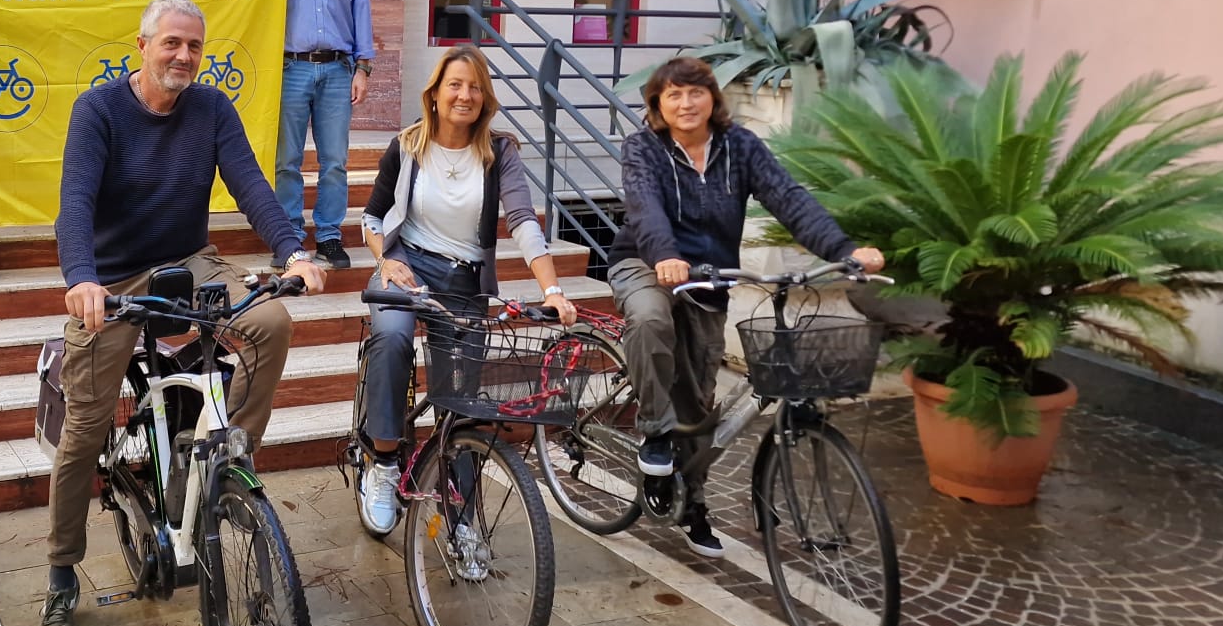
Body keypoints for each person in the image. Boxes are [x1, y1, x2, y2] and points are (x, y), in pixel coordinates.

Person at [42, 0, 326, 626]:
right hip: (110, 278)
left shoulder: (210, 107)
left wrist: (291, 250)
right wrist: (80, 279)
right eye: (171, 43)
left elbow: (251, 183)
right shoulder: (100, 110)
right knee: (85, 428)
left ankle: (228, 458)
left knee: (271, 323)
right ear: (141, 45)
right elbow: (75, 201)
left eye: (194, 46)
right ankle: (60, 573)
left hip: (188, 261)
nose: (183, 56)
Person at [607, 55, 882, 557]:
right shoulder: (643, 148)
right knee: (649, 316)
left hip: (710, 280)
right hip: (648, 264)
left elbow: (790, 200)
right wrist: (666, 256)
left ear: (713, 99)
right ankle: (653, 436)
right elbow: (644, 207)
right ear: (657, 106)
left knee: (698, 406)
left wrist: (844, 252)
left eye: (695, 92)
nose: (686, 103)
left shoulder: (740, 147)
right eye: (674, 95)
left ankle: (693, 505)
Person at [354, 44, 575, 533]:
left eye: (475, 86)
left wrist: (553, 289)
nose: (465, 94)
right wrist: (386, 260)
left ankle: (461, 510)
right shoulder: (408, 145)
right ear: (434, 93)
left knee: (464, 396)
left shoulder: (501, 153)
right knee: (391, 339)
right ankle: (384, 464)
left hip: (464, 281)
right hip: (407, 267)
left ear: (486, 97)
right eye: (455, 84)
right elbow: (372, 217)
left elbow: (522, 220)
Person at [275, 0, 375, 272]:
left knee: (334, 161)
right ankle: (289, 236)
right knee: (287, 160)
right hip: (291, 69)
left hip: (337, 70)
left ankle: (330, 237)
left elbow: (361, 13)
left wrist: (363, 68)